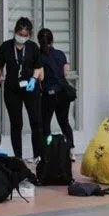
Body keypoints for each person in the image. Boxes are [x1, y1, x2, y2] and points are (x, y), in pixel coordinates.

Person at [0, 17, 44, 162]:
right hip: (12, 89)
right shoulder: (6, 46)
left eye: (26, 35)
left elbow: (38, 67)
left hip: (30, 88)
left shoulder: (33, 47)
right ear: (15, 32)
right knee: (16, 124)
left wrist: (33, 79)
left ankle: (37, 155)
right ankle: (18, 157)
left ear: (29, 35)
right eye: (20, 34)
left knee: (36, 122)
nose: (22, 37)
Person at [37, 28, 75, 161]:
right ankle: (71, 151)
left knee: (45, 124)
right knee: (64, 122)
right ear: (52, 40)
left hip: (49, 94)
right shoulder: (60, 54)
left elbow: (40, 77)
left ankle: (48, 152)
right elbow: (66, 72)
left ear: (39, 41)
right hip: (63, 93)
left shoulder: (39, 56)